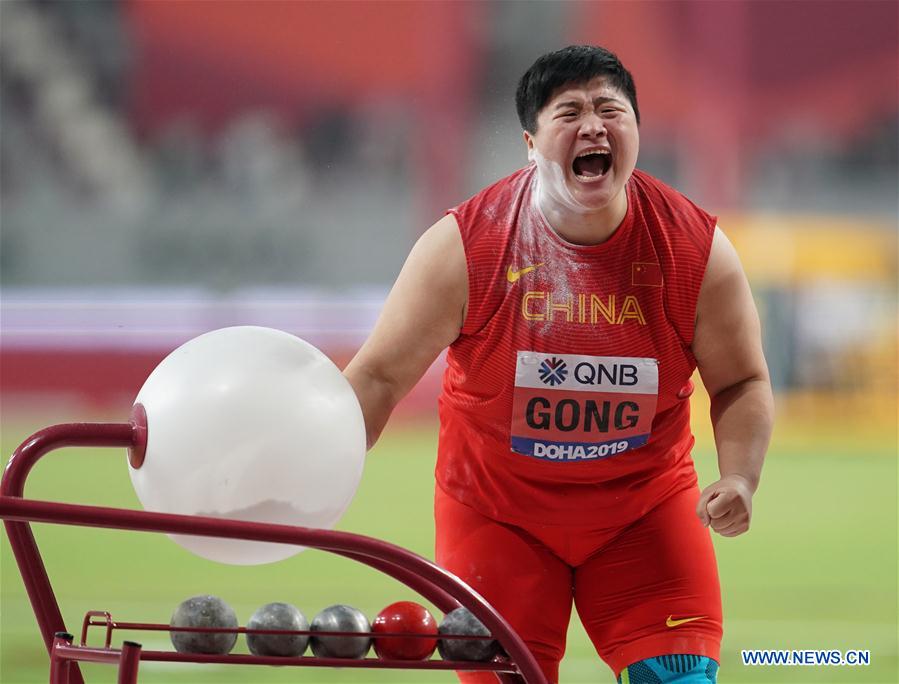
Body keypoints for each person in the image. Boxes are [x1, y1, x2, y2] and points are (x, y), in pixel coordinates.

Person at [344, 45, 774, 684]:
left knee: (681, 677)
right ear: (530, 142)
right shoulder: (465, 246)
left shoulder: (695, 250)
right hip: (495, 516)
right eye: (569, 112)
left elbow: (740, 380)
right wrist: (314, 466)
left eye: (611, 109)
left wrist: (739, 477)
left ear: (635, 132)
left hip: (644, 513)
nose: (594, 126)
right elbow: (377, 377)